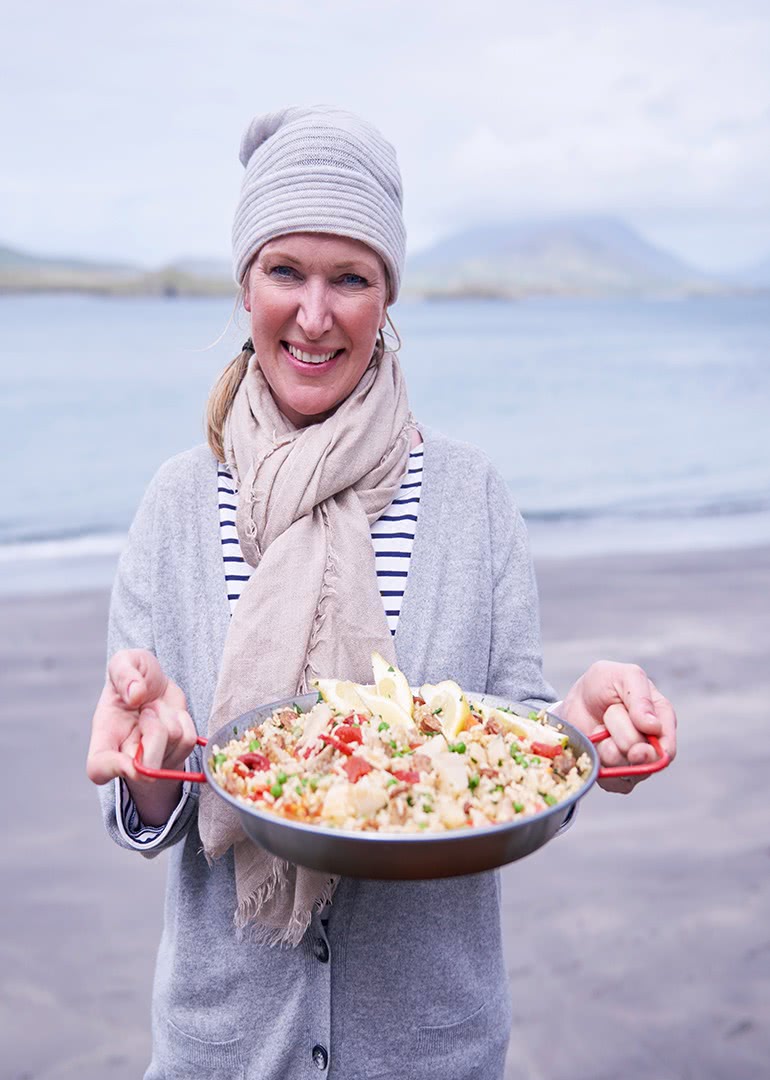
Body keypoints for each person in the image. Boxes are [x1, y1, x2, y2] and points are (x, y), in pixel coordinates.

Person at [87, 105, 677, 1080]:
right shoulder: (179, 504)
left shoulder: (468, 497)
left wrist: (572, 734)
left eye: (349, 278)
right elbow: (151, 812)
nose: (314, 316)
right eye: (286, 272)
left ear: (386, 297)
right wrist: (152, 769)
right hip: (225, 1052)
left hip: (428, 1049)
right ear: (245, 285)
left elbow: (508, 757)